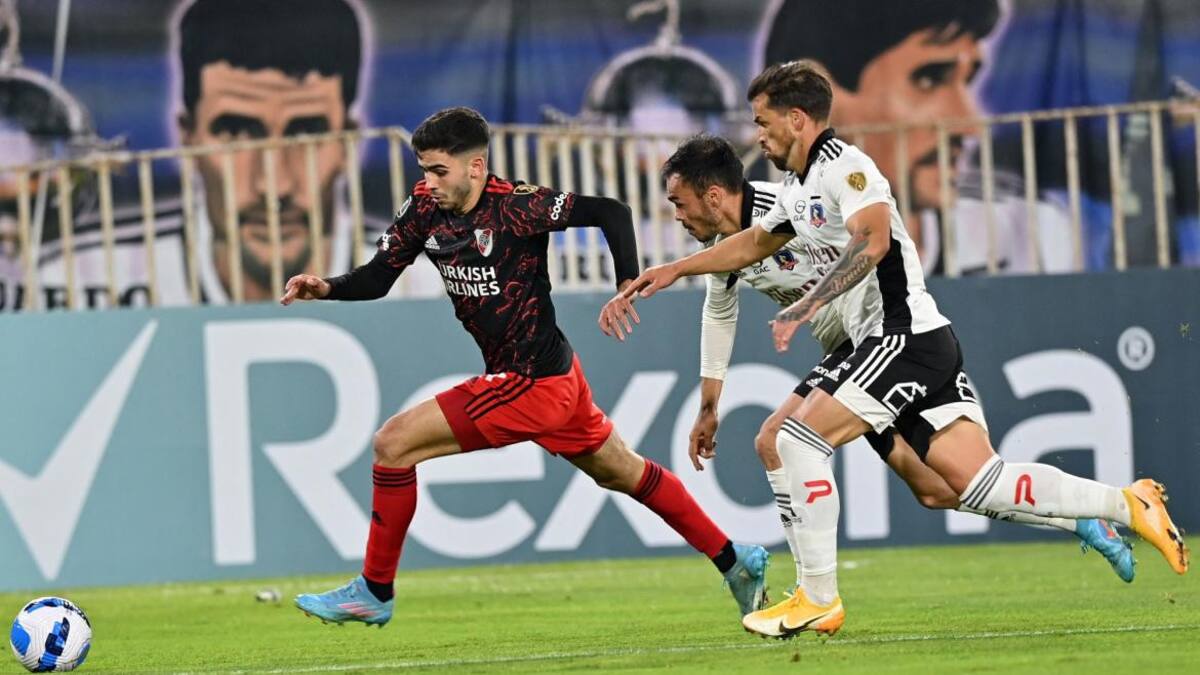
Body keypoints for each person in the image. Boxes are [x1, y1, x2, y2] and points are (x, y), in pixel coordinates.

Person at [613, 62, 1188, 639]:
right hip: (899, 343)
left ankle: (817, 596)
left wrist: (806, 305)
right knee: (963, 484)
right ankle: (1121, 504)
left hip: (898, 335)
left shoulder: (848, 168)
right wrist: (673, 270)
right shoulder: (799, 187)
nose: (758, 135)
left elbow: (874, 240)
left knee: (791, 439)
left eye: (763, 122)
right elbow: (755, 245)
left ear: (796, 118)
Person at [278, 106, 769, 627]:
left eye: (439, 170)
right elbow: (379, 277)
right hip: (559, 378)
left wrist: (626, 285)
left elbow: (612, 211)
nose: (429, 182)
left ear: (475, 166)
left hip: (531, 382)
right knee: (623, 471)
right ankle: (733, 559)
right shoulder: (425, 207)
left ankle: (375, 590)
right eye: (423, 169)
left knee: (392, 444)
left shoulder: (518, 206)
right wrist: (327, 287)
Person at [35, 0, 441, 308]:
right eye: (237, 132)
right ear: (188, 136)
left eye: (307, 133)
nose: (274, 185)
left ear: (349, 141)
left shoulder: (427, 288)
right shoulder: (76, 282)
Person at [757, 0, 1074, 274]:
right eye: (929, 78)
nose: (970, 125)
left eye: (968, 80)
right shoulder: (752, 245)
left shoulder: (1027, 236)